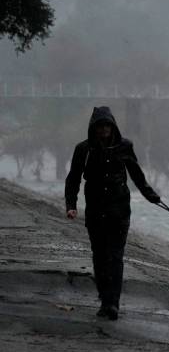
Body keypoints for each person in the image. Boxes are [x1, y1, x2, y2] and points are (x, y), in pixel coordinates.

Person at [64, 106, 161, 320]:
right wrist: (71, 204)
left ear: (113, 126)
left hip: (119, 211)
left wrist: (151, 195)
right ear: (94, 128)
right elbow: (73, 179)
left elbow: (136, 174)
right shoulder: (84, 149)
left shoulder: (124, 146)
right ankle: (104, 300)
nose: (104, 130)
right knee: (100, 257)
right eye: (100, 126)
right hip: (95, 211)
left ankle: (113, 303)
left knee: (115, 257)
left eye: (107, 125)